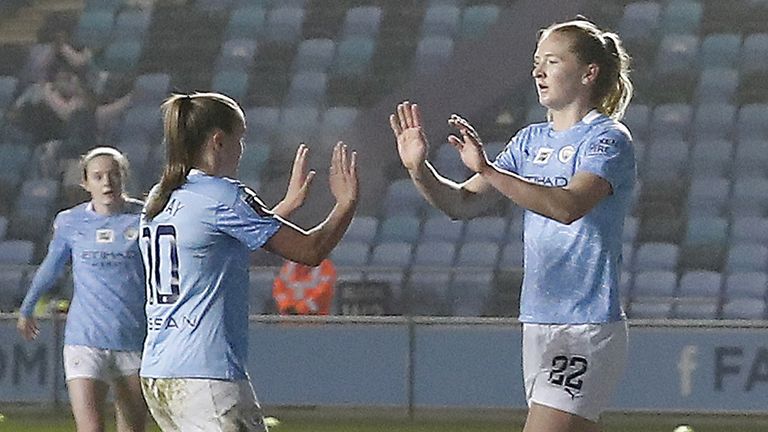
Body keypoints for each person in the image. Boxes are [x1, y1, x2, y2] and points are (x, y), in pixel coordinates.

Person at [390, 17, 635, 432]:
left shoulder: (608, 139)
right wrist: (419, 169)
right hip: (537, 320)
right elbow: (460, 203)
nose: (538, 71)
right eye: (537, 62)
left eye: (552, 62)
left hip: (584, 324)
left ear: (588, 73)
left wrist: (488, 168)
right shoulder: (528, 141)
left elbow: (568, 206)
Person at [139, 92, 358, 431]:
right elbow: (310, 250)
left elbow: (217, 250)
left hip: (159, 370)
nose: (242, 150)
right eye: (239, 140)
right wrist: (345, 204)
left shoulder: (160, 197)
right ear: (218, 141)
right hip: (205, 373)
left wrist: (282, 210)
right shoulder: (224, 195)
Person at [17, 147, 149, 432]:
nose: (107, 183)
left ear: (123, 177)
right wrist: (27, 308)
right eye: (98, 176)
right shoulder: (70, 221)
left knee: (133, 428)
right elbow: (52, 266)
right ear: (86, 183)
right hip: (85, 338)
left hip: (134, 338)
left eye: (113, 175)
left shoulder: (144, 218)